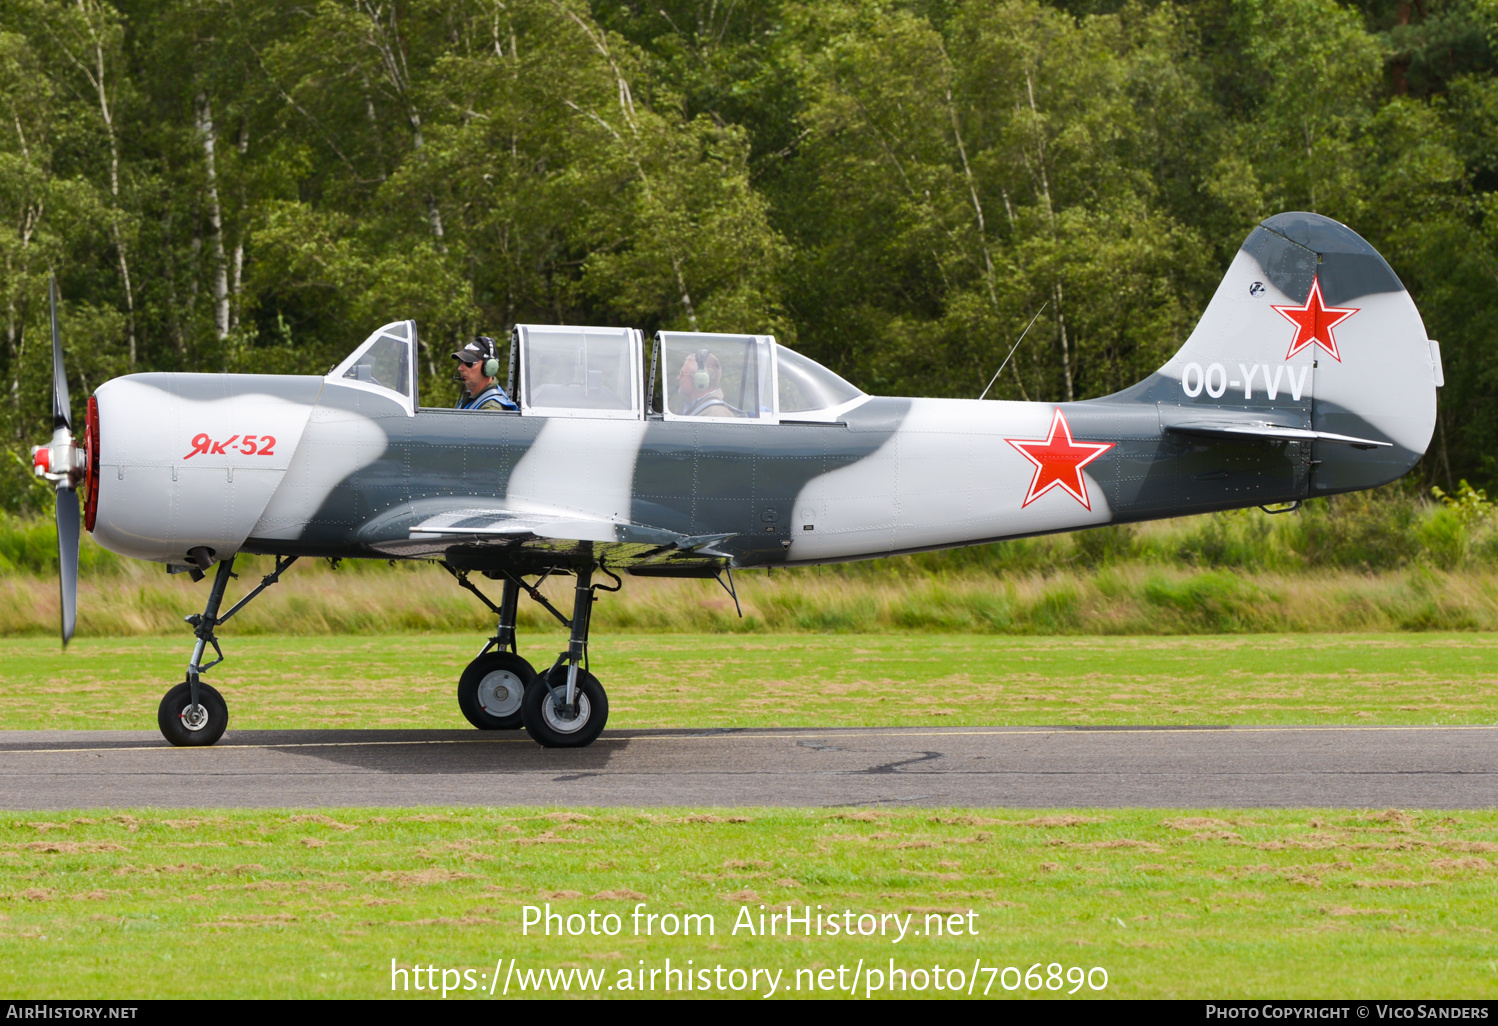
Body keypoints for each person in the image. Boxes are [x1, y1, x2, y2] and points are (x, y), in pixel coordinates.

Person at [452, 336, 517, 411]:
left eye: (469, 363)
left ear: (489, 367)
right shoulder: (471, 398)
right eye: (461, 362)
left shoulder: (490, 409)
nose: (460, 368)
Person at [676, 349, 738, 417]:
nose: (678, 378)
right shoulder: (694, 409)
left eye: (682, 374)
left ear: (699, 380)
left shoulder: (714, 414)